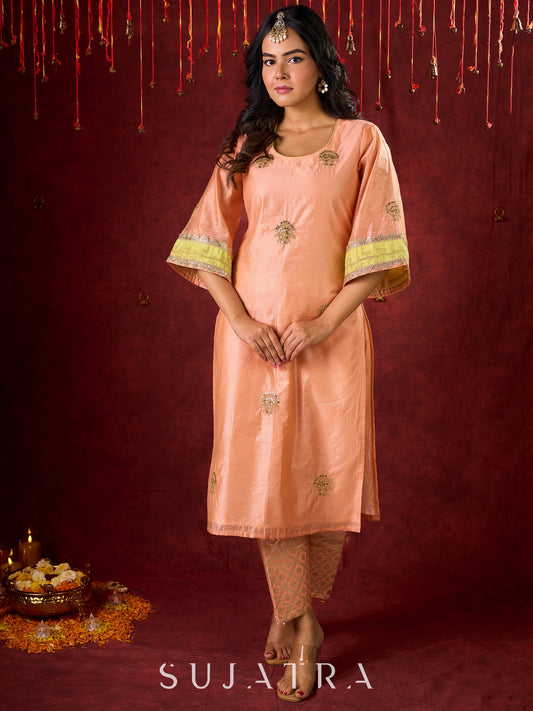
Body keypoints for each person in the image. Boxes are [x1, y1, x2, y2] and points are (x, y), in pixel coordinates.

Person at [167, 4, 409, 703]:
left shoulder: (361, 141)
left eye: (294, 58)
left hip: (329, 336)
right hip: (253, 341)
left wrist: (324, 322)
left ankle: (293, 606)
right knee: (267, 473)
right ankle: (300, 623)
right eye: (268, 61)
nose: (280, 73)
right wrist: (241, 321)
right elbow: (206, 243)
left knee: (321, 469)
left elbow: (378, 251)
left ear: (320, 64)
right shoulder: (248, 143)